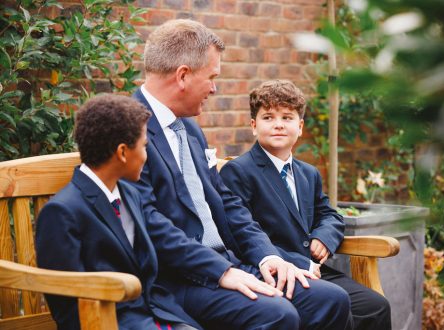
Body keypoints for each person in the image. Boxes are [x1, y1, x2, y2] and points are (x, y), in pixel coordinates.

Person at [131, 19, 352, 329]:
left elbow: (227, 203)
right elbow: (148, 222)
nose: (214, 88)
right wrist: (221, 272)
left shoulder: (190, 130)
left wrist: (267, 257)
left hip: (230, 261)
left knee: (330, 300)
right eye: (212, 77)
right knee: (278, 314)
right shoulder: (128, 126)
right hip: (178, 279)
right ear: (183, 76)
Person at [219, 80, 392, 330]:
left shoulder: (308, 173)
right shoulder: (239, 172)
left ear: (299, 127)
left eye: (287, 117)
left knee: (375, 306)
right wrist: (303, 264)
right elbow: (242, 234)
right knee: (336, 301)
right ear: (254, 127)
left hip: (315, 269)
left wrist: (323, 237)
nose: (278, 124)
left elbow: (330, 215)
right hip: (278, 270)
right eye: (268, 117)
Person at [35, 95, 200, 330]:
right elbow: (67, 306)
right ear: (122, 152)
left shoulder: (130, 195)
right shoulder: (62, 213)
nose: (146, 155)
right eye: (144, 146)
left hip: (157, 314)